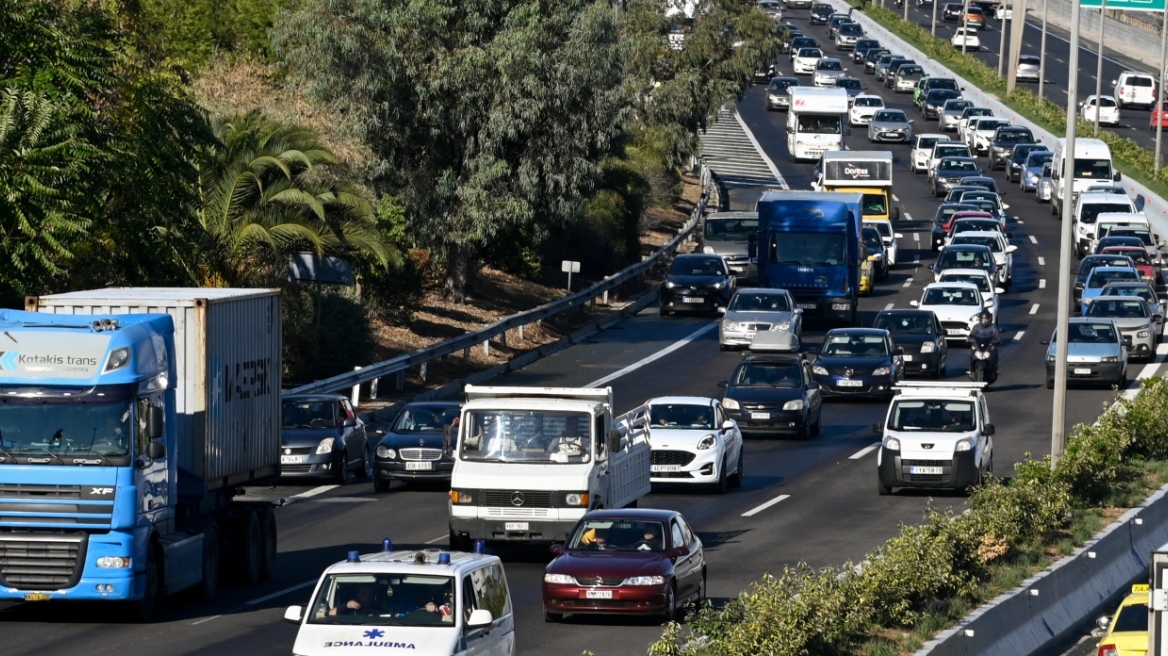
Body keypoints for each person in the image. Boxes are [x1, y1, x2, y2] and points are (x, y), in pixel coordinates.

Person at [968, 310, 1001, 380]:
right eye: (983, 319)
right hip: (979, 346)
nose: (984, 320)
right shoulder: (976, 326)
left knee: (993, 353)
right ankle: (971, 370)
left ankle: (993, 370)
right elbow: (972, 335)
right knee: (973, 354)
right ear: (980, 319)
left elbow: (996, 334)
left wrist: (998, 340)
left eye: (986, 319)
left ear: (989, 319)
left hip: (988, 346)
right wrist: (970, 339)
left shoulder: (993, 326)